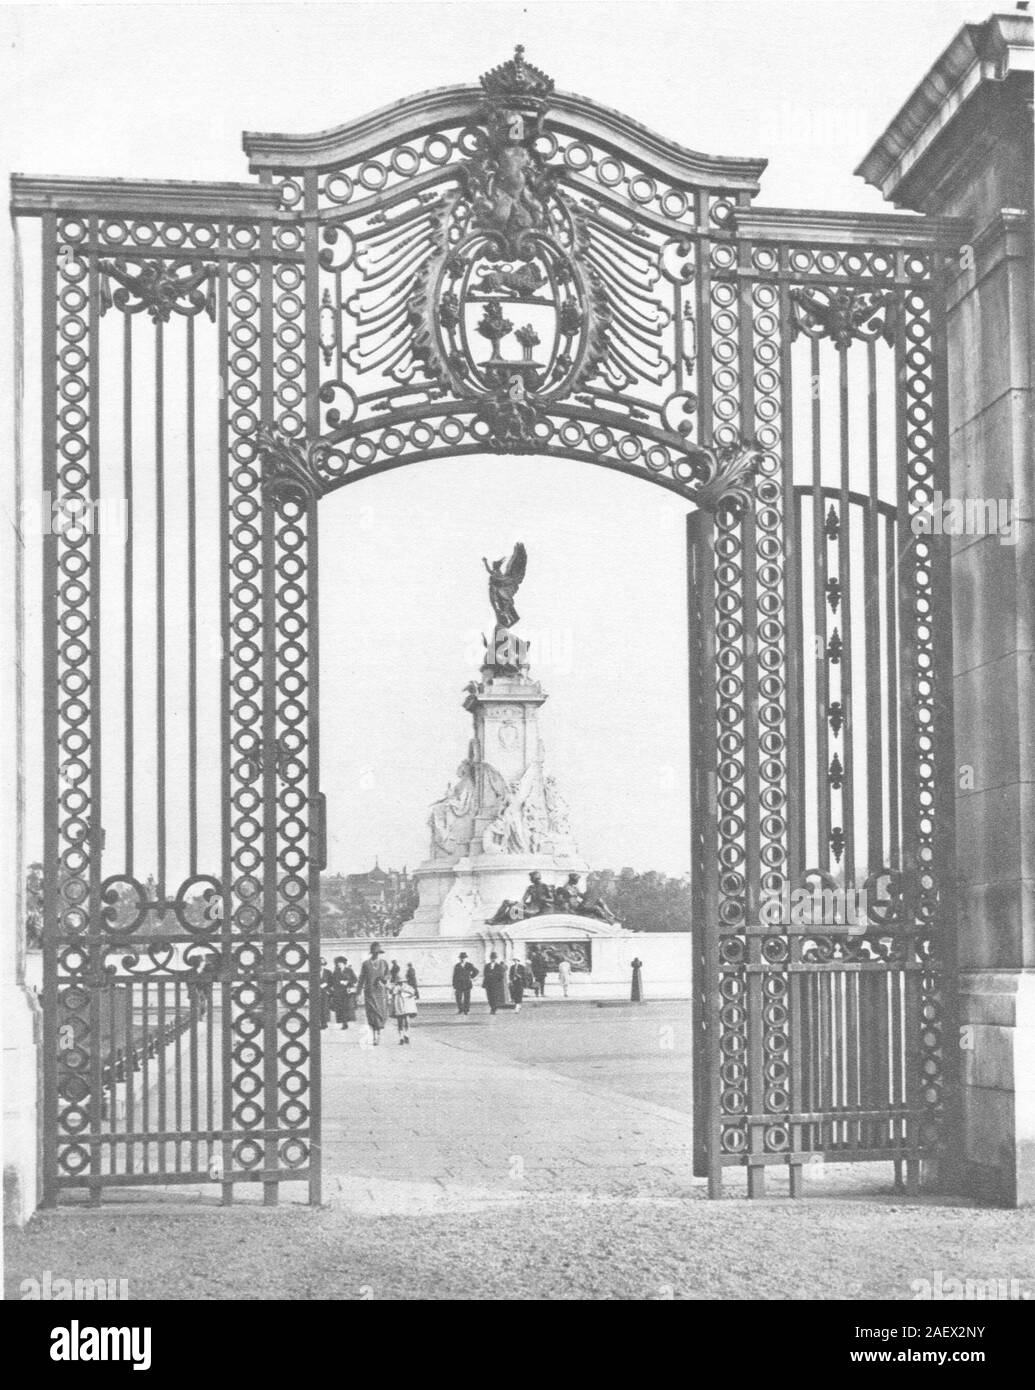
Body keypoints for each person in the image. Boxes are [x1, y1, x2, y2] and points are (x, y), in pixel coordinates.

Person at [356, 942, 391, 1045]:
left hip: (381, 993)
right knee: (372, 1013)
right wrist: (358, 992)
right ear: (371, 953)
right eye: (374, 952)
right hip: (370, 992)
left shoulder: (384, 963)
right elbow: (361, 978)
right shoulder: (366, 964)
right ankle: (374, 1035)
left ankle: (378, 1033)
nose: (376, 954)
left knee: (380, 1014)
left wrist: (384, 979)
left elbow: (388, 975)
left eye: (378, 952)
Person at [390, 973, 418, 1044]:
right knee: (403, 1022)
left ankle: (404, 1035)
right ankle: (403, 1036)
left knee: (404, 1022)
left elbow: (412, 993)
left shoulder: (407, 987)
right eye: (400, 982)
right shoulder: (398, 988)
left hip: (403, 1007)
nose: (402, 983)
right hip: (402, 1007)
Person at [332, 956, 357, 1029]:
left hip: (348, 992)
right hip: (339, 992)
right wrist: (338, 983)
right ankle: (343, 1023)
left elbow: (355, 979)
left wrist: (347, 982)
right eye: (338, 963)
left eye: (340, 963)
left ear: (344, 963)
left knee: (347, 1008)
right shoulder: (336, 971)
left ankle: (346, 1022)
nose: (339, 964)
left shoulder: (349, 970)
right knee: (341, 1008)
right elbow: (333, 981)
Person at [319, 958, 334, 1030]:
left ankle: (324, 1023)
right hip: (316, 993)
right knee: (317, 1008)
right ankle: (318, 1022)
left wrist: (326, 985)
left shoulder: (328, 972)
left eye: (322, 965)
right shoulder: (314, 972)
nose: (320, 966)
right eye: (319, 965)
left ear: (324, 965)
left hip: (325, 992)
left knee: (325, 1008)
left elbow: (332, 982)